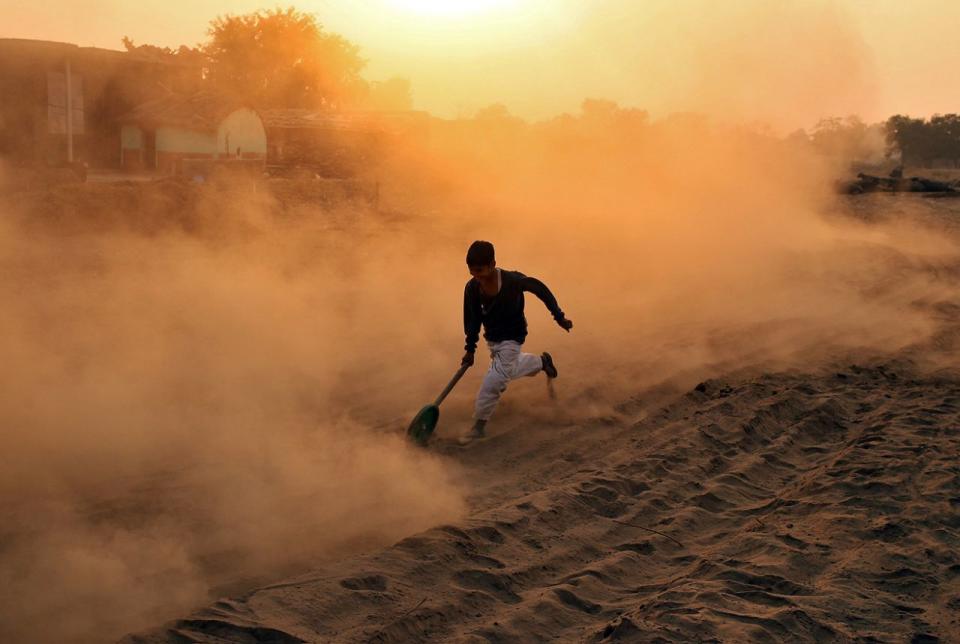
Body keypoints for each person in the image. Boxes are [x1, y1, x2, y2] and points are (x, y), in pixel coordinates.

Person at [459, 240, 573, 444]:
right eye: (472, 272)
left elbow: (541, 290)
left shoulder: (513, 281)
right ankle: (541, 362)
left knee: (493, 382)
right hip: (492, 339)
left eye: (480, 271)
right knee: (508, 369)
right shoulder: (472, 288)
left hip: (513, 336)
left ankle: (478, 426)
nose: (477, 277)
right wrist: (470, 349)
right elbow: (473, 320)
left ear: (493, 264)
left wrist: (559, 317)